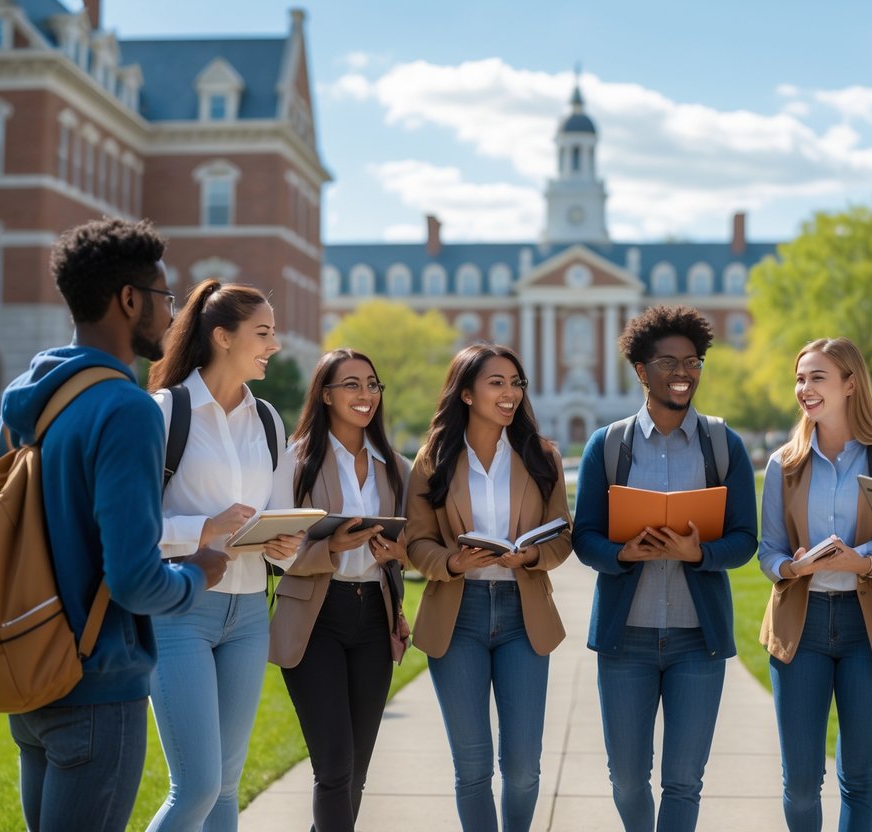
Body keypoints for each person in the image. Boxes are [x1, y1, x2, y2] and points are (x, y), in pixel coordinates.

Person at [0, 218, 227, 831]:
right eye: (166, 299)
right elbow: (136, 581)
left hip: (25, 669)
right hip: (96, 687)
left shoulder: (21, 398)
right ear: (128, 299)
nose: (171, 317)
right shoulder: (126, 409)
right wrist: (200, 573)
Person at [573, 305, 758, 832]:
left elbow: (745, 540)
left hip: (696, 642)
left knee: (683, 781)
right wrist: (622, 554)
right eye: (669, 362)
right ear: (641, 370)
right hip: (624, 639)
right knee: (627, 779)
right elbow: (584, 537)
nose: (683, 373)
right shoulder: (607, 446)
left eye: (694, 362)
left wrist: (698, 553)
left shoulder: (723, 445)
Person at [145, 279, 303, 831]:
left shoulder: (269, 421)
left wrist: (285, 545)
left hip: (249, 614)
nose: (274, 345)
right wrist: (204, 529)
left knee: (227, 789)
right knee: (196, 786)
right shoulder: (165, 411)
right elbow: (129, 527)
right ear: (221, 337)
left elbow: (278, 513)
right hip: (179, 611)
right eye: (262, 333)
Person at [405, 343, 572, 832]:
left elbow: (562, 534)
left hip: (524, 616)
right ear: (466, 393)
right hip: (459, 618)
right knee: (473, 767)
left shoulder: (541, 457)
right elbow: (416, 541)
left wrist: (534, 554)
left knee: (522, 768)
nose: (510, 393)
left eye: (516, 382)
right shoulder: (432, 458)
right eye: (497, 382)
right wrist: (451, 562)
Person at [757, 338, 872, 831]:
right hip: (799, 628)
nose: (805, 388)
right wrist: (793, 568)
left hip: (867, 630)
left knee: (859, 777)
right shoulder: (784, 463)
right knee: (801, 781)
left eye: (817, 377)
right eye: (800, 379)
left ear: (851, 384)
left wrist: (863, 561)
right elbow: (769, 553)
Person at [267, 348, 412, 832]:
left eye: (372, 384)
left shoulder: (396, 466)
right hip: (316, 617)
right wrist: (330, 550)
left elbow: (411, 542)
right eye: (351, 384)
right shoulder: (297, 460)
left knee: (356, 773)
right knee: (333, 767)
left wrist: (397, 557)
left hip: (373, 615)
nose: (365, 394)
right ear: (326, 395)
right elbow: (274, 548)